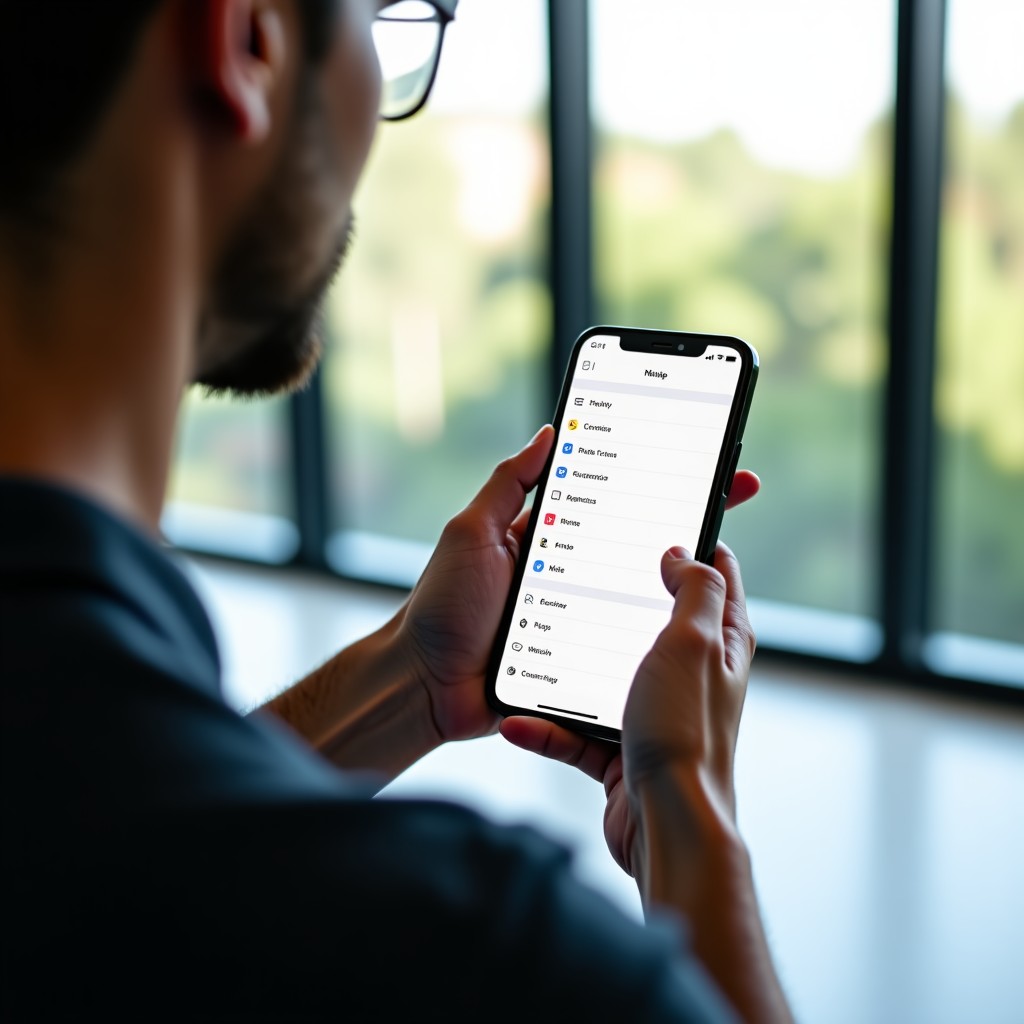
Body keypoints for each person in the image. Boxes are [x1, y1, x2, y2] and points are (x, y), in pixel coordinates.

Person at [0, 2, 792, 1021]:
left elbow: (98, 826)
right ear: (246, 39)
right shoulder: (485, 957)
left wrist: (414, 679)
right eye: (382, 12)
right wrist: (685, 800)